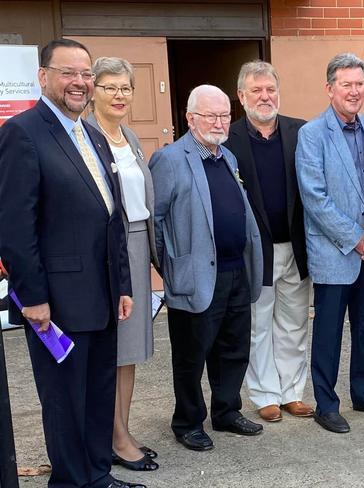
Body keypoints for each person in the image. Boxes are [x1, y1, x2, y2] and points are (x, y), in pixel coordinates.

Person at [0, 39, 141, 488]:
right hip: (56, 304)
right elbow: (15, 226)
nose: (79, 82)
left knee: (99, 396)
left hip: (100, 297)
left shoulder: (92, 133)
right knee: (65, 403)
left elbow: (110, 216)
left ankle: (97, 476)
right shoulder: (23, 132)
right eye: (69, 73)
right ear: (44, 77)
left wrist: (123, 284)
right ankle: (71, 481)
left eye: (85, 74)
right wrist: (34, 298)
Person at [149, 84, 263, 451]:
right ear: (190, 118)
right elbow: (156, 221)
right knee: (191, 354)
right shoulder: (170, 159)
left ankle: (227, 411)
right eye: (210, 115)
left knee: (233, 349)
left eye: (225, 115)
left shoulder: (227, 157)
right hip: (195, 277)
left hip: (234, 271)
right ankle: (187, 421)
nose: (219, 122)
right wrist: (172, 267)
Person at [296, 53, 364, 434]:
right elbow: (315, 198)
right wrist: (356, 239)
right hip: (335, 252)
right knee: (328, 333)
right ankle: (326, 403)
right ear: (330, 88)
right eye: (346, 84)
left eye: (359, 84)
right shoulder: (311, 135)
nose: (355, 91)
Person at [223, 61, 313, 422]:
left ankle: (292, 392)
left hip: (296, 245)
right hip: (254, 251)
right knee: (258, 325)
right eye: (256, 90)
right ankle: (265, 395)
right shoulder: (228, 138)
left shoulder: (300, 132)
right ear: (242, 96)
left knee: (294, 322)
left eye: (270, 89)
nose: (265, 96)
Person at [86, 57, 159, 471]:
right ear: (93, 90)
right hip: (105, 253)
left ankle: (122, 430)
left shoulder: (129, 137)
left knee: (129, 351)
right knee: (109, 351)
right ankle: (112, 436)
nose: (119, 96)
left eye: (126, 88)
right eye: (110, 87)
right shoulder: (85, 136)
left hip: (135, 247)